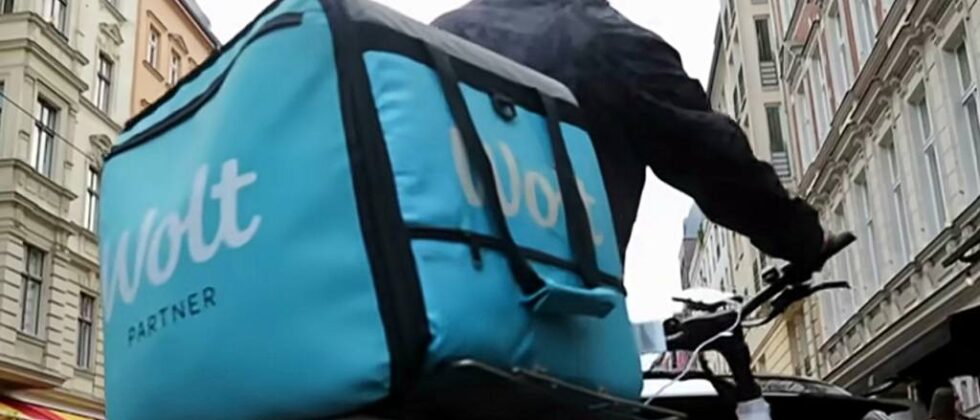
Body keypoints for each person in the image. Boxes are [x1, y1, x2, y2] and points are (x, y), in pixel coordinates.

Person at [431, 0, 835, 269]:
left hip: (435, 309)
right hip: (564, 314)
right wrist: (801, 238)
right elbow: (712, 158)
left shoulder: (438, 37)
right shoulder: (607, 41)